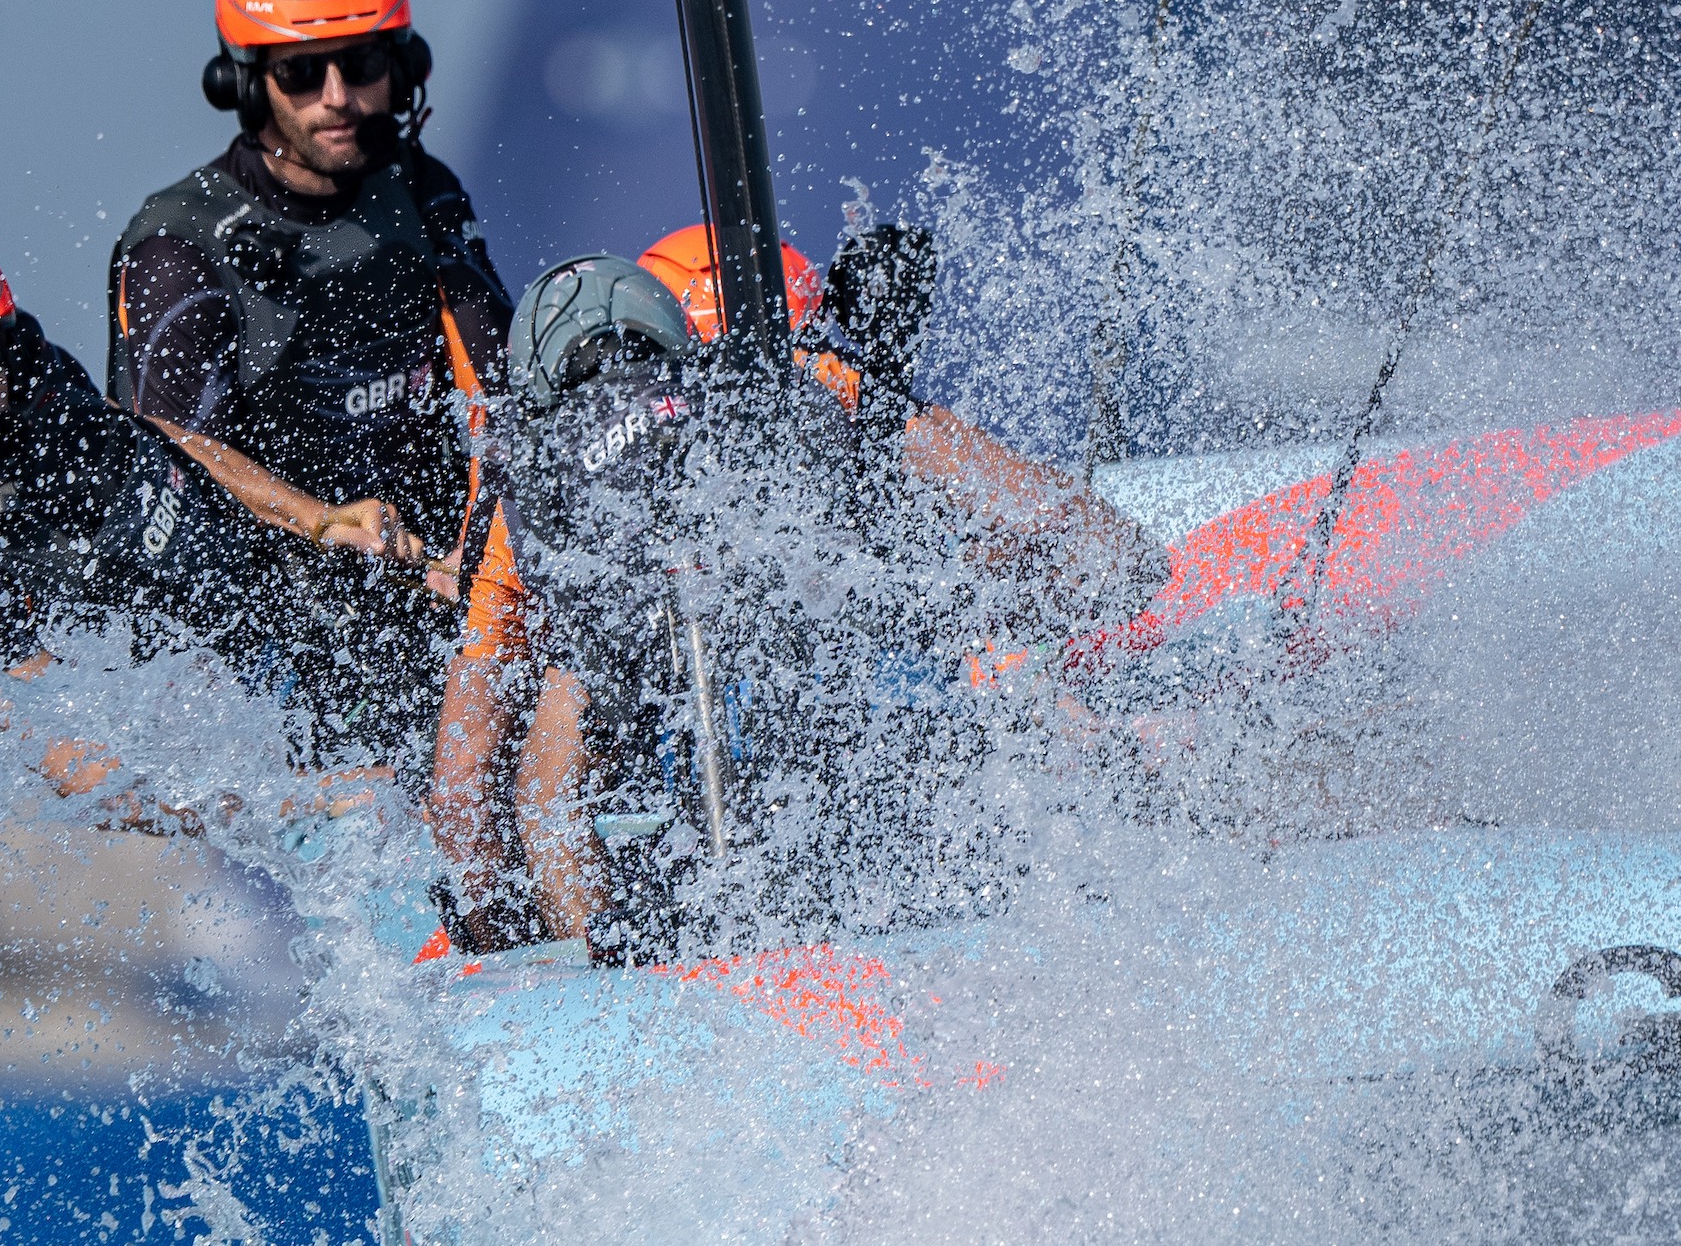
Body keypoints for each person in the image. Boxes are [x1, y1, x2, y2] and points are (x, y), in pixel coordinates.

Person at [427, 230, 1170, 961]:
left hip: (718, 911)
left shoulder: (538, 510)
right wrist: (999, 589)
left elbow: (488, 791)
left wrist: (517, 934)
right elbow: (1094, 549)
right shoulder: (804, 386)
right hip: (934, 839)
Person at [106, 0, 539, 947]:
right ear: (247, 83)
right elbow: (166, 464)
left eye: (363, 65)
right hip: (296, 655)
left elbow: (505, 403)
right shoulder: (179, 241)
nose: (339, 99)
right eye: (304, 73)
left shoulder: (424, 193)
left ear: (403, 66)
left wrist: (481, 565)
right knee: (429, 886)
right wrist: (321, 524)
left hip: (451, 595)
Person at [0, 213, 427, 822]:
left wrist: (315, 520)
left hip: (321, 644)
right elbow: (96, 781)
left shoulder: (36, 380)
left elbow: (155, 438)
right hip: (266, 784)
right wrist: (303, 802)